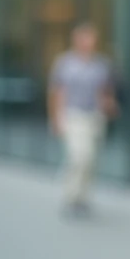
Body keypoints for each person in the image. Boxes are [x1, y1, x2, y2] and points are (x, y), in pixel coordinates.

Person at [49, 22, 119, 216]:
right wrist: (56, 118)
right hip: (73, 115)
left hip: (95, 117)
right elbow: (57, 92)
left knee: (91, 159)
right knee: (79, 156)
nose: (89, 42)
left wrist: (110, 105)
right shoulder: (65, 63)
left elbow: (105, 91)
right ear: (77, 40)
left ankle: (83, 197)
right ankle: (71, 196)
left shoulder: (101, 64)